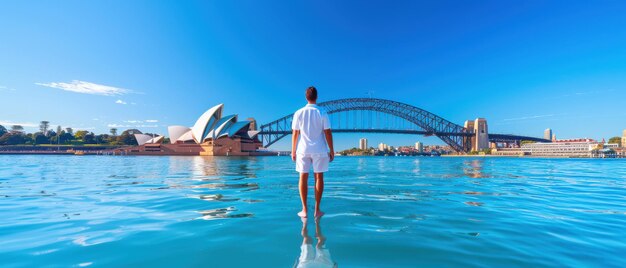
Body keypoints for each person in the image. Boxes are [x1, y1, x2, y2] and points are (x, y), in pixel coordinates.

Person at [291, 86, 334, 218]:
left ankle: (304, 210)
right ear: (317, 97)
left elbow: (295, 133)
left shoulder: (298, 113)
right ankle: (317, 210)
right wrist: (331, 150)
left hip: (303, 150)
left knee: (302, 177)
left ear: (306, 97)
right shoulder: (322, 112)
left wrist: (293, 150)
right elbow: (327, 132)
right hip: (320, 149)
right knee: (319, 177)